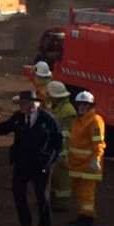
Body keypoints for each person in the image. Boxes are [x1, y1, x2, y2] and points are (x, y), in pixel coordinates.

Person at [0, 88, 64, 226]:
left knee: (42, 197)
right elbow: (6, 127)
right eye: (22, 104)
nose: (23, 107)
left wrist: (50, 160)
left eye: (25, 104)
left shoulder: (48, 119)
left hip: (41, 165)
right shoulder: (18, 117)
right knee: (19, 195)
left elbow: (58, 141)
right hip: (21, 163)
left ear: (33, 104)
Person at [66, 90, 107, 226]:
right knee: (79, 193)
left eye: (85, 105)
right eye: (80, 104)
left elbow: (99, 143)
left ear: (91, 106)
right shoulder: (78, 120)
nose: (82, 107)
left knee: (87, 195)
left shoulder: (95, 121)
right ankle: (82, 217)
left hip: (89, 166)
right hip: (77, 164)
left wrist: (96, 159)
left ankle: (88, 221)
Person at [45, 80, 77, 209]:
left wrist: (64, 153)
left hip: (64, 150)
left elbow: (68, 134)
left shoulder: (68, 111)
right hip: (57, 148)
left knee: (62, 178)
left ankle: (62, 203)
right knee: (55, 177)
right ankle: (53, 200)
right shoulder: (58, 107)